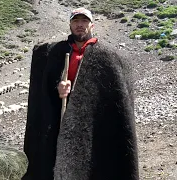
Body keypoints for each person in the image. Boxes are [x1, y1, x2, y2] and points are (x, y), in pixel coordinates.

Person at [22, 7, 139, 180]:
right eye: (76, 21)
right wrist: (58, 89)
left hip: (94, 122)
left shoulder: (107, 56)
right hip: (60, 120)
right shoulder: (56, 53)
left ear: (92, 25)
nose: (80, 25)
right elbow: (44, 87)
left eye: (84, 21)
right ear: (70, 24)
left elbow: (116, 97)